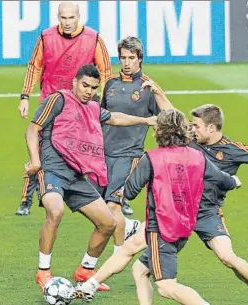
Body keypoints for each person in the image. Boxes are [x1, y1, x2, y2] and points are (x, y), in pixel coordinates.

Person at [74, 104, 248, 303]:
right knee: (136, 260)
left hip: (201, 214)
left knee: (225, 258)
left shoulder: (229, 149)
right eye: (190, 125)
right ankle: (90, 285)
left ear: (212, 128)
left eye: (197, 125)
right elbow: (173, 123)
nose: (192, 129)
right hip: (180, 211)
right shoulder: (190, 145)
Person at [25, 64, 155, 293]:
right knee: (55, 211)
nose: (89, 91)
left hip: (77, 176)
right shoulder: (58, 99)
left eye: (94, 88)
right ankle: (43, 272)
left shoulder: (93, 108)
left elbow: (114, 117)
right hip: (52, 170)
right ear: (75, 81)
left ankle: (85, 271)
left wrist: (145, 121)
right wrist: (35, 161)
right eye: (85, 85)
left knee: (108, 223)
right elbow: (33, 129)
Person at [15, 1, 112, 216]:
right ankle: (26, 198)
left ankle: (111, 196)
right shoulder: (46, 37)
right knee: (39, 148)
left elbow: (105, 71)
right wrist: (24, 96)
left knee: (88, 147)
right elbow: (34, 66)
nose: (67, 22)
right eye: (63, 18)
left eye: (71, 18)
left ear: (79, 17)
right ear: (58, 17)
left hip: (82, 106)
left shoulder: (94, 38)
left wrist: (105, 101)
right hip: (51, 101)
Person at [98, 36, 173, 254]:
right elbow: (101, 116)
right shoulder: (110, 84)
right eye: (123, 58)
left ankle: (117, 255)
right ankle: (131, 227)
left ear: (140, 59)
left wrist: (160, 94)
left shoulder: (148, 87)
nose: (126, 63)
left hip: (130, 155)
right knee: (101, 209)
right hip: (104, 154)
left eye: (131, 58)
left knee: (112, 206)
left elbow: (172, 117)